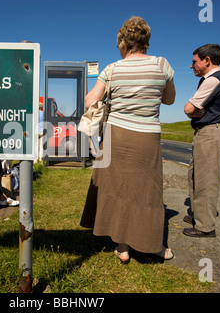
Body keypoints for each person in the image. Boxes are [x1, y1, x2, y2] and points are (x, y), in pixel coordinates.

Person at [80, 16, 176, 263]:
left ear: (124, 42)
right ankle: (154, 245)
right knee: (148, 191)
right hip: (147, 136)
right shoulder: (162, 64)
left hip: (116, 135)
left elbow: (89, 102)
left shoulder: (112, 69)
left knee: (118, 188)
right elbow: (169, 99)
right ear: (145, 41)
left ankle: (122, 246)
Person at [183, 44, 220, 238]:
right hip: (208, 133)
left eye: (194, 61)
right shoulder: (212, 79)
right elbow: (193, 112)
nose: (191, 66)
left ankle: (205, 227)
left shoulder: (214, 80)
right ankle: (199, 215)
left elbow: (188, 109)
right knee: (195, 175)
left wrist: (197, 112)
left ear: (207, 60)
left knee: (205, 180)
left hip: (213, 134)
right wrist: (199, 112)